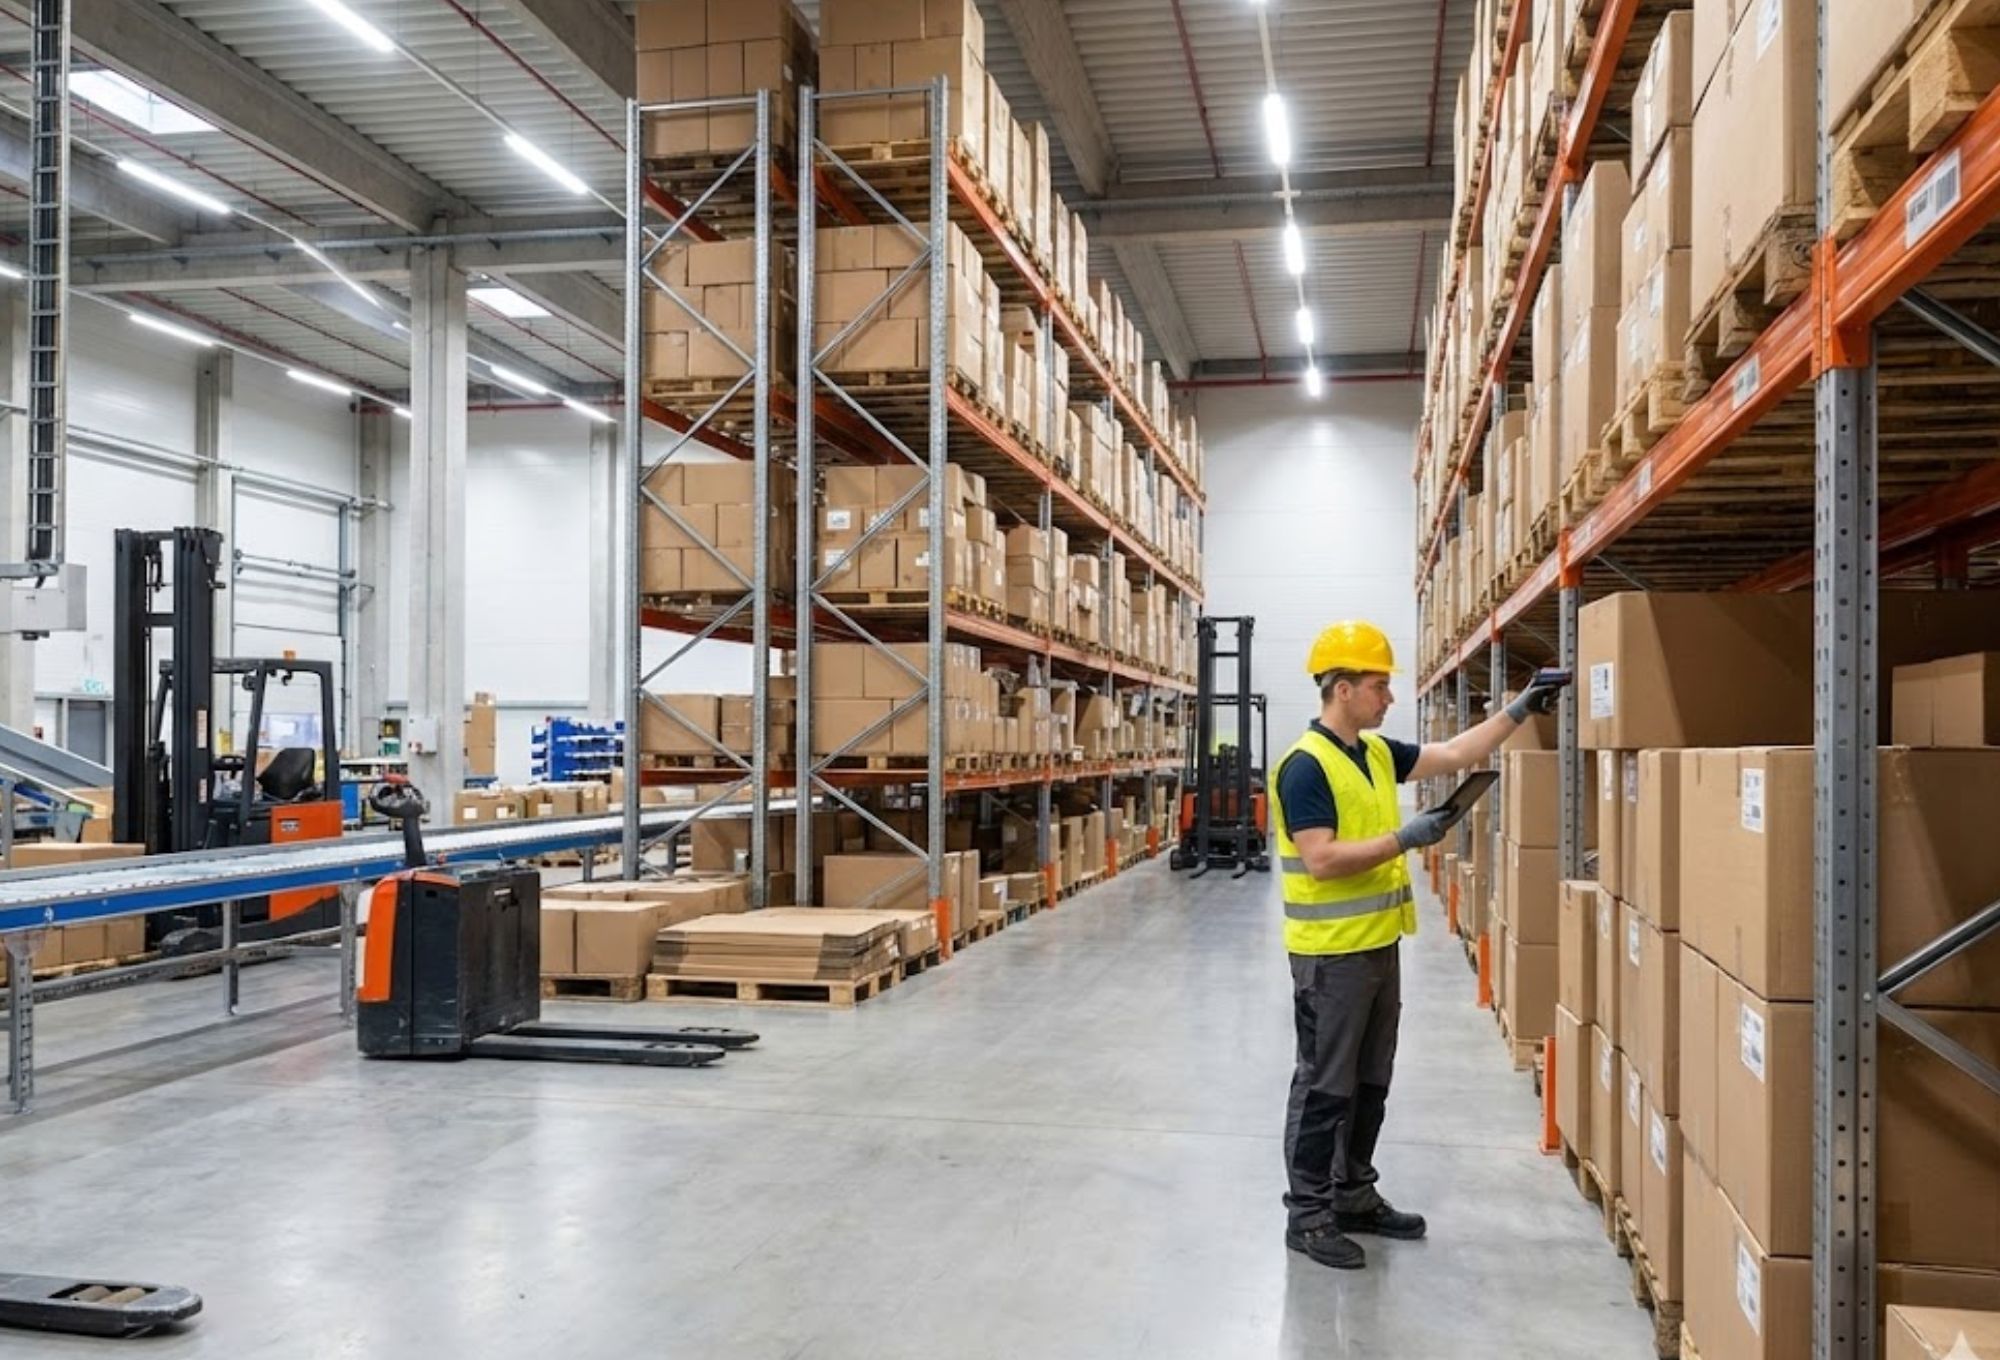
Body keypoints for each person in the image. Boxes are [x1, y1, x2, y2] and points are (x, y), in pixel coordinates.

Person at [1271, 620, 1568, 1270]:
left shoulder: (1375, 753)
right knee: (1324, 1087)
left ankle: (1353, 1193)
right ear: (1343, 689)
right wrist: (1407, 838)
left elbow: (1456, 754)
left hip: (1378, 946)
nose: (1388, 698)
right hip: (1329, 957)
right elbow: (1320, 860)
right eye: (1379, 686)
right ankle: (1308, 1216)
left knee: (1369, 1082)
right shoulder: (1305, 766)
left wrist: (1519, 709)